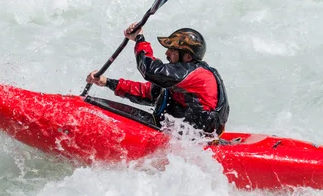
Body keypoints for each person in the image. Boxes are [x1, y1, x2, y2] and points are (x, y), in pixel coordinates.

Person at [86, 23, 230, 135]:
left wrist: (139, 39)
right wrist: (106, 82)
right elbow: (148, 93)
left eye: (172, 50)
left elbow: (150, 70)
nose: (167, 53)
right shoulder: (180, 78)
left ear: (187, 57)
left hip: (195, 141)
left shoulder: (198, 76)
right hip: (177, 134)